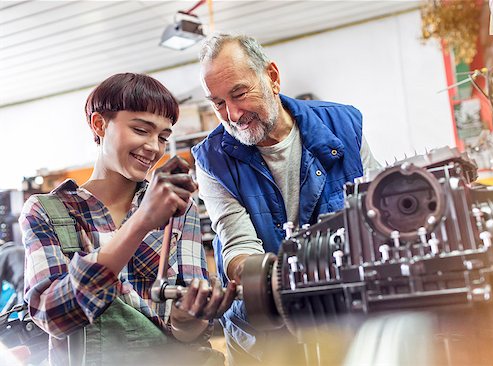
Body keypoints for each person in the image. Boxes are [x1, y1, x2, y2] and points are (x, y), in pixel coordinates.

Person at [19, 73, 236, 365]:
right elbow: (52, 315)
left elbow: (190, 335)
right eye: (141, 130)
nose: (154, 147)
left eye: (162, 137)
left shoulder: (179, 209)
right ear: (99, 124)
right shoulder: (46, 211)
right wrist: (141, 222)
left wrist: (188, 319)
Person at [191, 33, 380, 364]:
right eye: (218, 103)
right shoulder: (212, 160)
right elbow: (238, 251)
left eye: (239, 93)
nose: (232, 114)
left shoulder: (344, 125)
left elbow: (377, 211)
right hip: (265, 340)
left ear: (272, 77)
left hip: (354, 321)